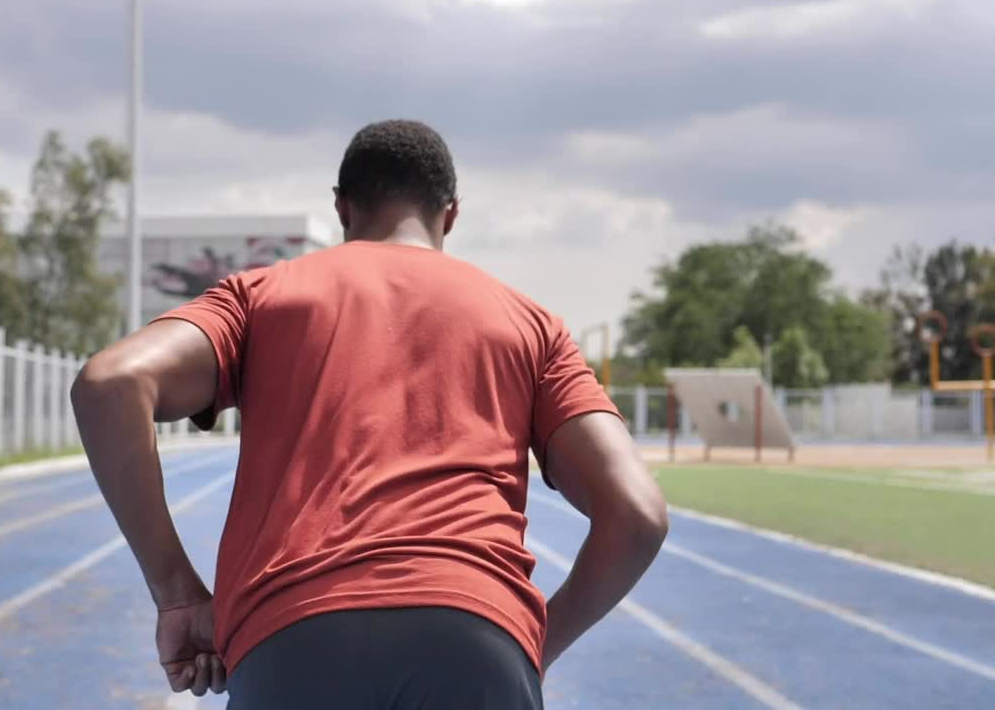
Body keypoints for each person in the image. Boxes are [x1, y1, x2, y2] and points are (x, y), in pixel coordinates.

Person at [70, 119, 668, 708]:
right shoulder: (532, 326)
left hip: (293, 635)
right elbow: (637, 514)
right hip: (477, 630)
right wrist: (532, 646)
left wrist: (177, 593)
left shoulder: (262, 295)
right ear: (451, 213)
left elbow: (110, 383)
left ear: (341, 207)